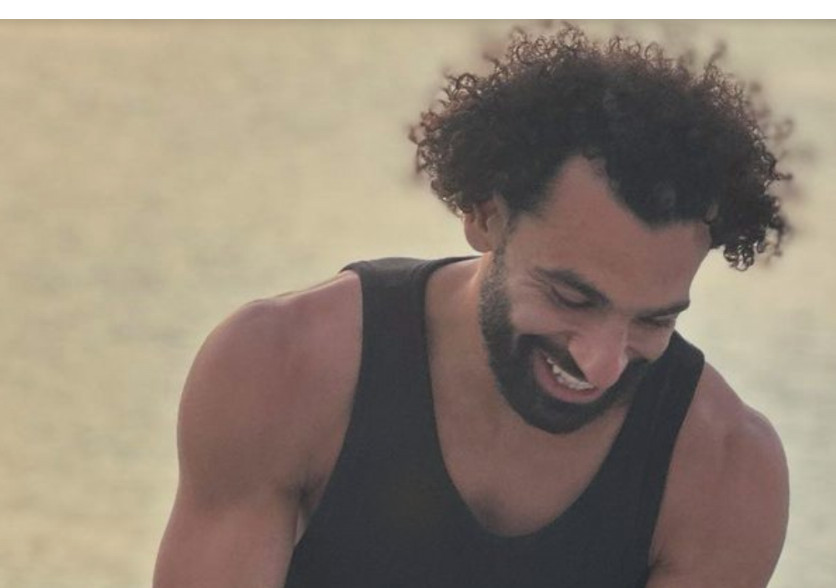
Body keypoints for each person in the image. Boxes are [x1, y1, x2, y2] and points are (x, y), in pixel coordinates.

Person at [153, 25, 791, 587]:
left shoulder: (726, 474)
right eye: (571, 297)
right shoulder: (281, 366)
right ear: (486, 217)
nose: (601, 363)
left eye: (654, 319)